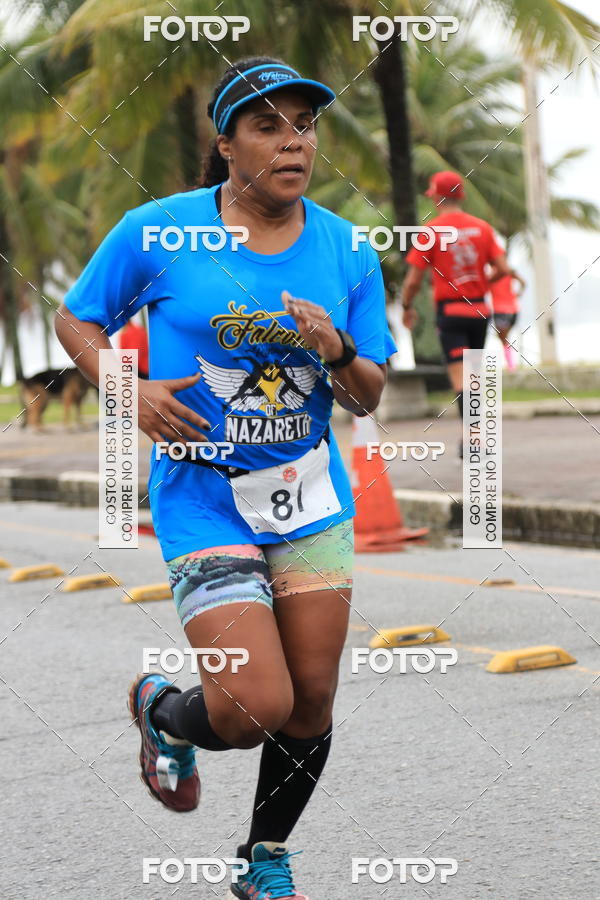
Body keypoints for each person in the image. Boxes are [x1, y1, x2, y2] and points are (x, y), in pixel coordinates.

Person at [54, 56, 396, 900]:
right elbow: (77, 317)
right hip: (205, 497)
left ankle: (264, 861)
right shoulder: (160, 232)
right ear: (227, 145)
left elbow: (367, 394)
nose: (294, 142)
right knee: (249, 708)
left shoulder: (347, 247)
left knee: (310, 701)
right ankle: (162, 711)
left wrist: (339, 350)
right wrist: (124, 387)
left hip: (309, 496)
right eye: (268, 125)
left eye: (305, 125)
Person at [400, 170, 511, 455]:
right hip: (479, 311)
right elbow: (502, 269)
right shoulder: (482, 228)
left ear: (437, 196)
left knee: (462, 379)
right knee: (474, 376)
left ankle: (472, 439)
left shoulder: (431, 232)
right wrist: (477, 284)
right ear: (461, 195)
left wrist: (407, 307)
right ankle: (476, 436)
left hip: (450, 312)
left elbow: (413, 281)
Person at [488, 268, 525, 370]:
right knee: (503, 337)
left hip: (502, 311)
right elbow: (523, 282)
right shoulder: (504, 272)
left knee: (503, 338)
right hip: (512, 310)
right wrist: (519, 293)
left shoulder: (492, 276)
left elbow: (523, 282)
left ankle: (511, 366)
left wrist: (519, 293)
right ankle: (511, 365)